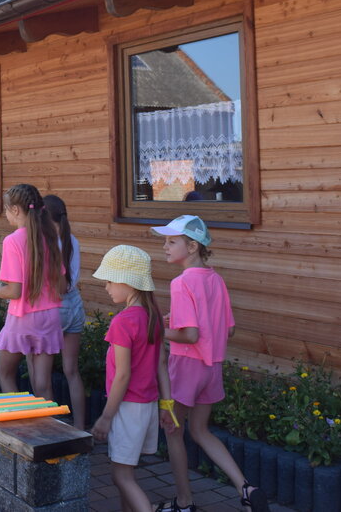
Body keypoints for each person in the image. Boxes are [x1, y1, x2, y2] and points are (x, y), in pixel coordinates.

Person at [152, 215, 269, 512]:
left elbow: (190, 335)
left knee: (173, 430)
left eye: (172, 241)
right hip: (211, 368)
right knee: (200, 430)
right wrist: (174, 322)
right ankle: (245, 488)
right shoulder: (215, 279)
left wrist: (155, 329)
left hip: (186, 366)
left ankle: (184, 502)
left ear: (192, 246)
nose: (165, 246)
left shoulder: (181, 282)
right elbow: (228, 329)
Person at [89, 245, 176, 512]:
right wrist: (166, 406)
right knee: (127, 473)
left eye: (110, 280)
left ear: (127, 281)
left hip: (127, 409)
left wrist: (106, 417)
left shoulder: (123, 322)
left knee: (121, 477)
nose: (106, 287)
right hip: (147, 407)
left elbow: (123, 375)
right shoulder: (152, 318)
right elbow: (162, 365)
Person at [0, 183, 63, 400]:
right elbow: (61, 283)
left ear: (16, 210)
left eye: (6, 209)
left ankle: (22, 418)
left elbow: (14, 291)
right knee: (43, 385)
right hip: (50, 316)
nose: (5, 214)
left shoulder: (12, 241)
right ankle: (47, 421)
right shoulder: (50, 238)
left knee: (5, 374)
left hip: (23, 317)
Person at [44, 194, 87, 431]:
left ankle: (51, 429)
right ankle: (79, 427)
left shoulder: (47, 242)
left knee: (42, 372)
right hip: (75, 304)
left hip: (53, 306)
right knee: (71, 371)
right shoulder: (73, 240)